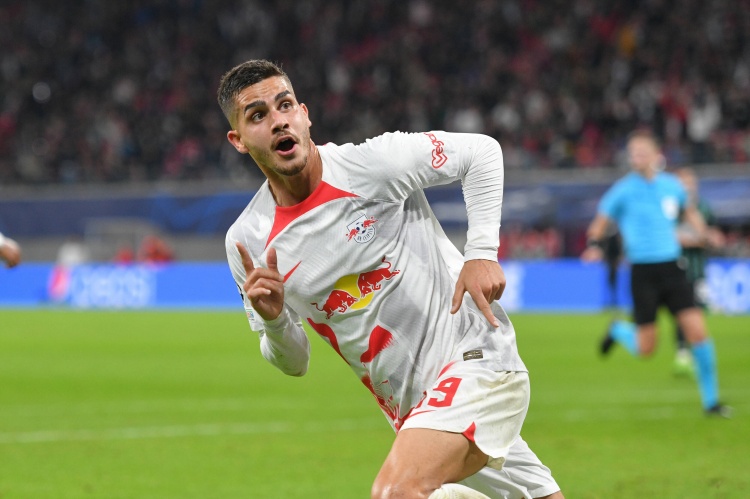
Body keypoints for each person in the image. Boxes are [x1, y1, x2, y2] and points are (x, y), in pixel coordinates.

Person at [217, 60, 563, 499]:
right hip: (415, 408)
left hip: (475, 360)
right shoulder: (248, 240)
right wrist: (274, 321)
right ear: (239, 140)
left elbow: (481, 153)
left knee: (396, 492)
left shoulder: (371, 165)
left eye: (285, 105)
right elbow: (294, 362)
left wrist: (481, 253)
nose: (278, 120)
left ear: (304, 114)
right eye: (257, 115)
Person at [581, 129, 729, 418]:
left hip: (672, 269)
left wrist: (704, 233)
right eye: (632, 153)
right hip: (643, 273)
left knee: (698, 333)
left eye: (641, 152)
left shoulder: (671, 185)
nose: (636, 157)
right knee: (646, 349)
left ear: (655, 155)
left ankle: (711, 403)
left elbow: (689, 212)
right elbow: (599, 223)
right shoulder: (622, 190)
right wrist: (595, 246)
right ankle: (618, 329)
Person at [672, 167, 725, 376]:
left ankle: (693, 352)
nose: (688, 187)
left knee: (696, 311)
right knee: (682, 311)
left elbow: (713, 234)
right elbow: (671, 236)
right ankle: (682, 352)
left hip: (698, 267)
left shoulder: (703, 207)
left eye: (691, 183)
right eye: (684, 183)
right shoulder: (672, 207)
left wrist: (711, 239)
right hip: (675, 267)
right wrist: (697, 239)